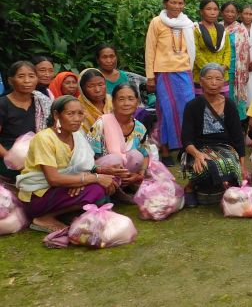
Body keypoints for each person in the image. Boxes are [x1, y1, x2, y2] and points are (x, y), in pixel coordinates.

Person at [15, 95, 116, 233]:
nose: (77, 118)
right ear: (57, 115)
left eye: (80, 113)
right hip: (38, 196)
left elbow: (83, 166)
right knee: (97, 189)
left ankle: (65, 214)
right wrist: (92, 179)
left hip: (63, 188)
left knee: (110, 181)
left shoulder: (77, 135)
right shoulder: (44, 139)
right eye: (70, 114)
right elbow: (54, 179)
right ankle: (44, 218)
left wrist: (102, 172)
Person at [180, 64, 248, 207]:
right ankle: (190, 187)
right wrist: (197, 154)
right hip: (197, 148)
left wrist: (242, 167)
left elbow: (237, 136)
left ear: (223, 82)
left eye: (218, 79)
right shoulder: (192, 106)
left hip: (224, 147)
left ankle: (222, 185)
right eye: (209, 78)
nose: (214, 82)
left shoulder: (229, 105)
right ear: (201, 81)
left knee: (228, 162)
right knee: (206, 164)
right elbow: (186, 138)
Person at [145, 0, 195, 165]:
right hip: (164, 73)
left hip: (184, 72)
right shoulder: (157, 22)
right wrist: (150, 77)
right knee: (166, 111)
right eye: (173, 2)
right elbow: (150, 50)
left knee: (188, 111)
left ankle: (187, 150)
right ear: (165, 3)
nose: (177, 6)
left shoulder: (188, 23)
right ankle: (165, 150)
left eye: (180, 3)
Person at [87, 83, 149, 196]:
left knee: (136, 155)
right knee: (115, 159)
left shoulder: (140, 128)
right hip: (103, 171)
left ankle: (125, 185)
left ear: (137, 102)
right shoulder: (102, 123)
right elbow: (87, 158)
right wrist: (101, 171)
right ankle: (113, 190)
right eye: (121, 99)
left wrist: (140, 174)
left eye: (131, 99)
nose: (126, 103)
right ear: (113, 103)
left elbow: (145, 154)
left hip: (126, 172)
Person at [0, 61, 52, 180]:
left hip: (38, 152)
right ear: (10, 81)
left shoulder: (42, 102)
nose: (27, 81)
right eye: (21, 76)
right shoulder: (2, 104)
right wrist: (10, 157)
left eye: (31, 76)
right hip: (8, 155)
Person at [193, 0, 231, 95]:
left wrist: (223, 67)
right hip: (202, 75)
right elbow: (195, 52)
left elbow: (227, 50)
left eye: (215, 9)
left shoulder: (222, 30)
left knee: (222, 104)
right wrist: (209, 71)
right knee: (203, 106)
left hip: (222, 75)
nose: (212, 12)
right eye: (208, 9)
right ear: (201, 11)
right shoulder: (196, 29)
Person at [221, 1, 250, 120]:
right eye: (227, 11)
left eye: (233, 12)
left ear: (237, 14)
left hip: (238, 70)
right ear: (222, 13)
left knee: (237, 98)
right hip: (221, 69)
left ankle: (239, 126)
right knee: (224, 97)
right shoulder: (217, 27)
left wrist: (246, 71)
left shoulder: (241, 30)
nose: (230, 14)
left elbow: (246, 52)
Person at [78, 68, 112, 134]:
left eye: (101, 85)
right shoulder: (77, 108)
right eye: (91, 86)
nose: (97, 90)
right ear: (82, 89)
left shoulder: (113, 101)